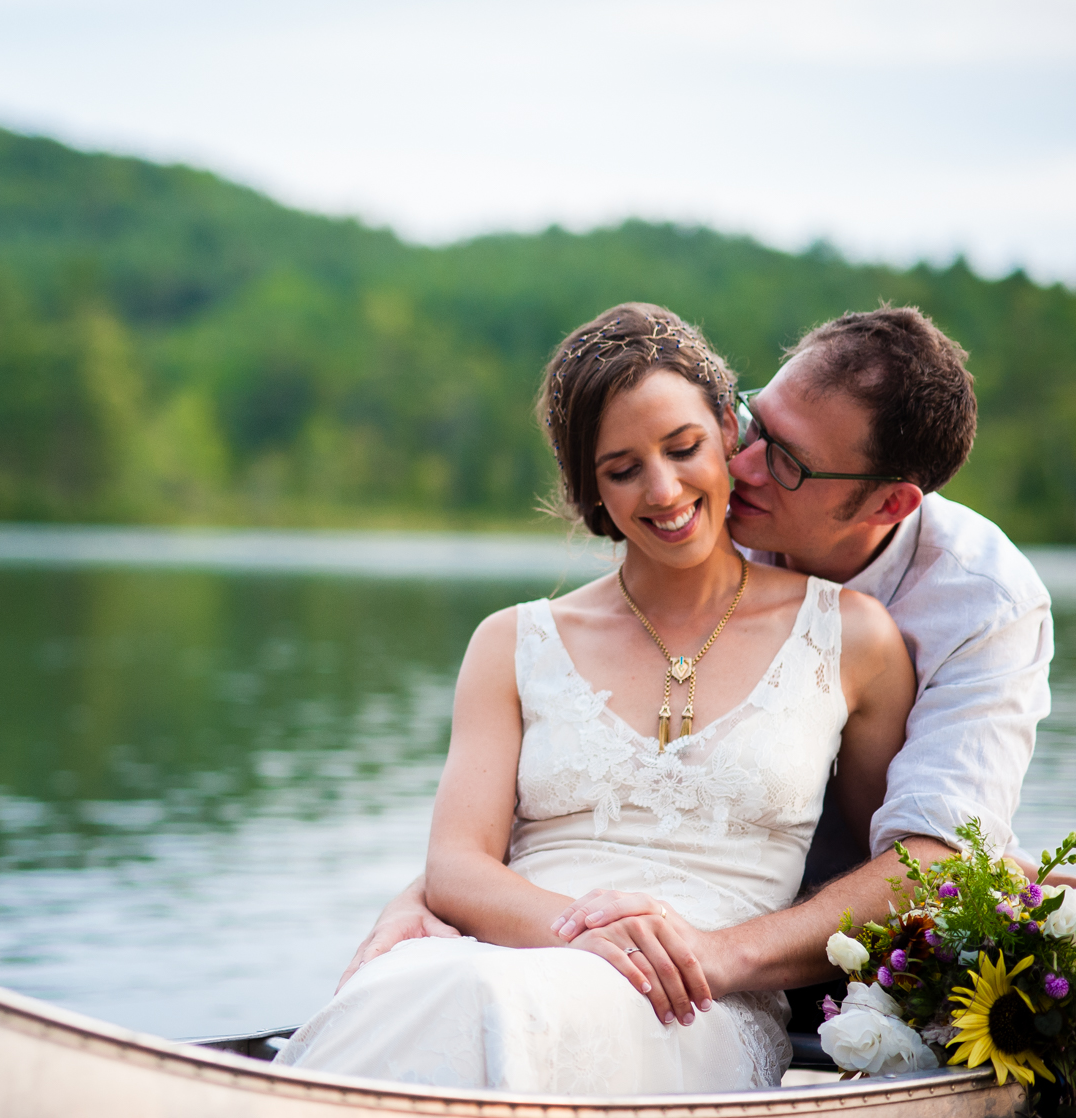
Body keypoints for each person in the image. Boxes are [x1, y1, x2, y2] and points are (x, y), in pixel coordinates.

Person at [339, 306, 1059, 1036]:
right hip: (551, 946)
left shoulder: (980, 604)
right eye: (753, 424)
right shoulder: (703, 515)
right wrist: (434, 891)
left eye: (787, 461)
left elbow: (934, 858)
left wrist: (709, 957)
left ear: (887, 503)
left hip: (788, 960)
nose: (737, 465)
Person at [275, 304, 917, 1092]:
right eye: (622, 469)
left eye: (683, 448)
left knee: (484, 997)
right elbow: (455, 864)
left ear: (727, 429)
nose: (664, 489)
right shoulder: (512, 642)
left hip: (694, 1004)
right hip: (509, 956)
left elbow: (898, 863)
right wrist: (573, 933)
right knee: (425, 981)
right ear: (591, 488)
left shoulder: (853, 638)